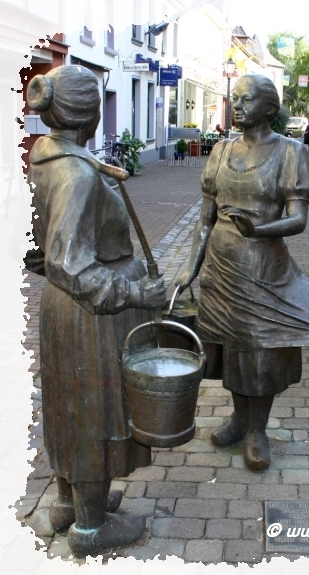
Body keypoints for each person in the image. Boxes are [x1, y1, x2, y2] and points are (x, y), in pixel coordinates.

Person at [26, 65, 167, 556]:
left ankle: (69, 505)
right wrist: (135, 294)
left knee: (68, 404)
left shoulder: (42, 160)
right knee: (93, 409)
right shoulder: (77, 173)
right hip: (92, 314)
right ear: (89, 116)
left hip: (61, 309)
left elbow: (34, 249)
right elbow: (71, 264)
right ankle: (90, 527)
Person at [176, 74, 309, 471]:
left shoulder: (290, 152)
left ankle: (258, 430)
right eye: (235, 99)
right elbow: (204, 219)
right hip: (220, 267)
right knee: (231, 347)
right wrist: (189, 267)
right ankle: (237, 418)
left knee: (261, 351)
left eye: (246, 100)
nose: (237, 105)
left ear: (268, 107)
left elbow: (298, 219)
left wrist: (259, 230)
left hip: (263, 269)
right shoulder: (219, 152)